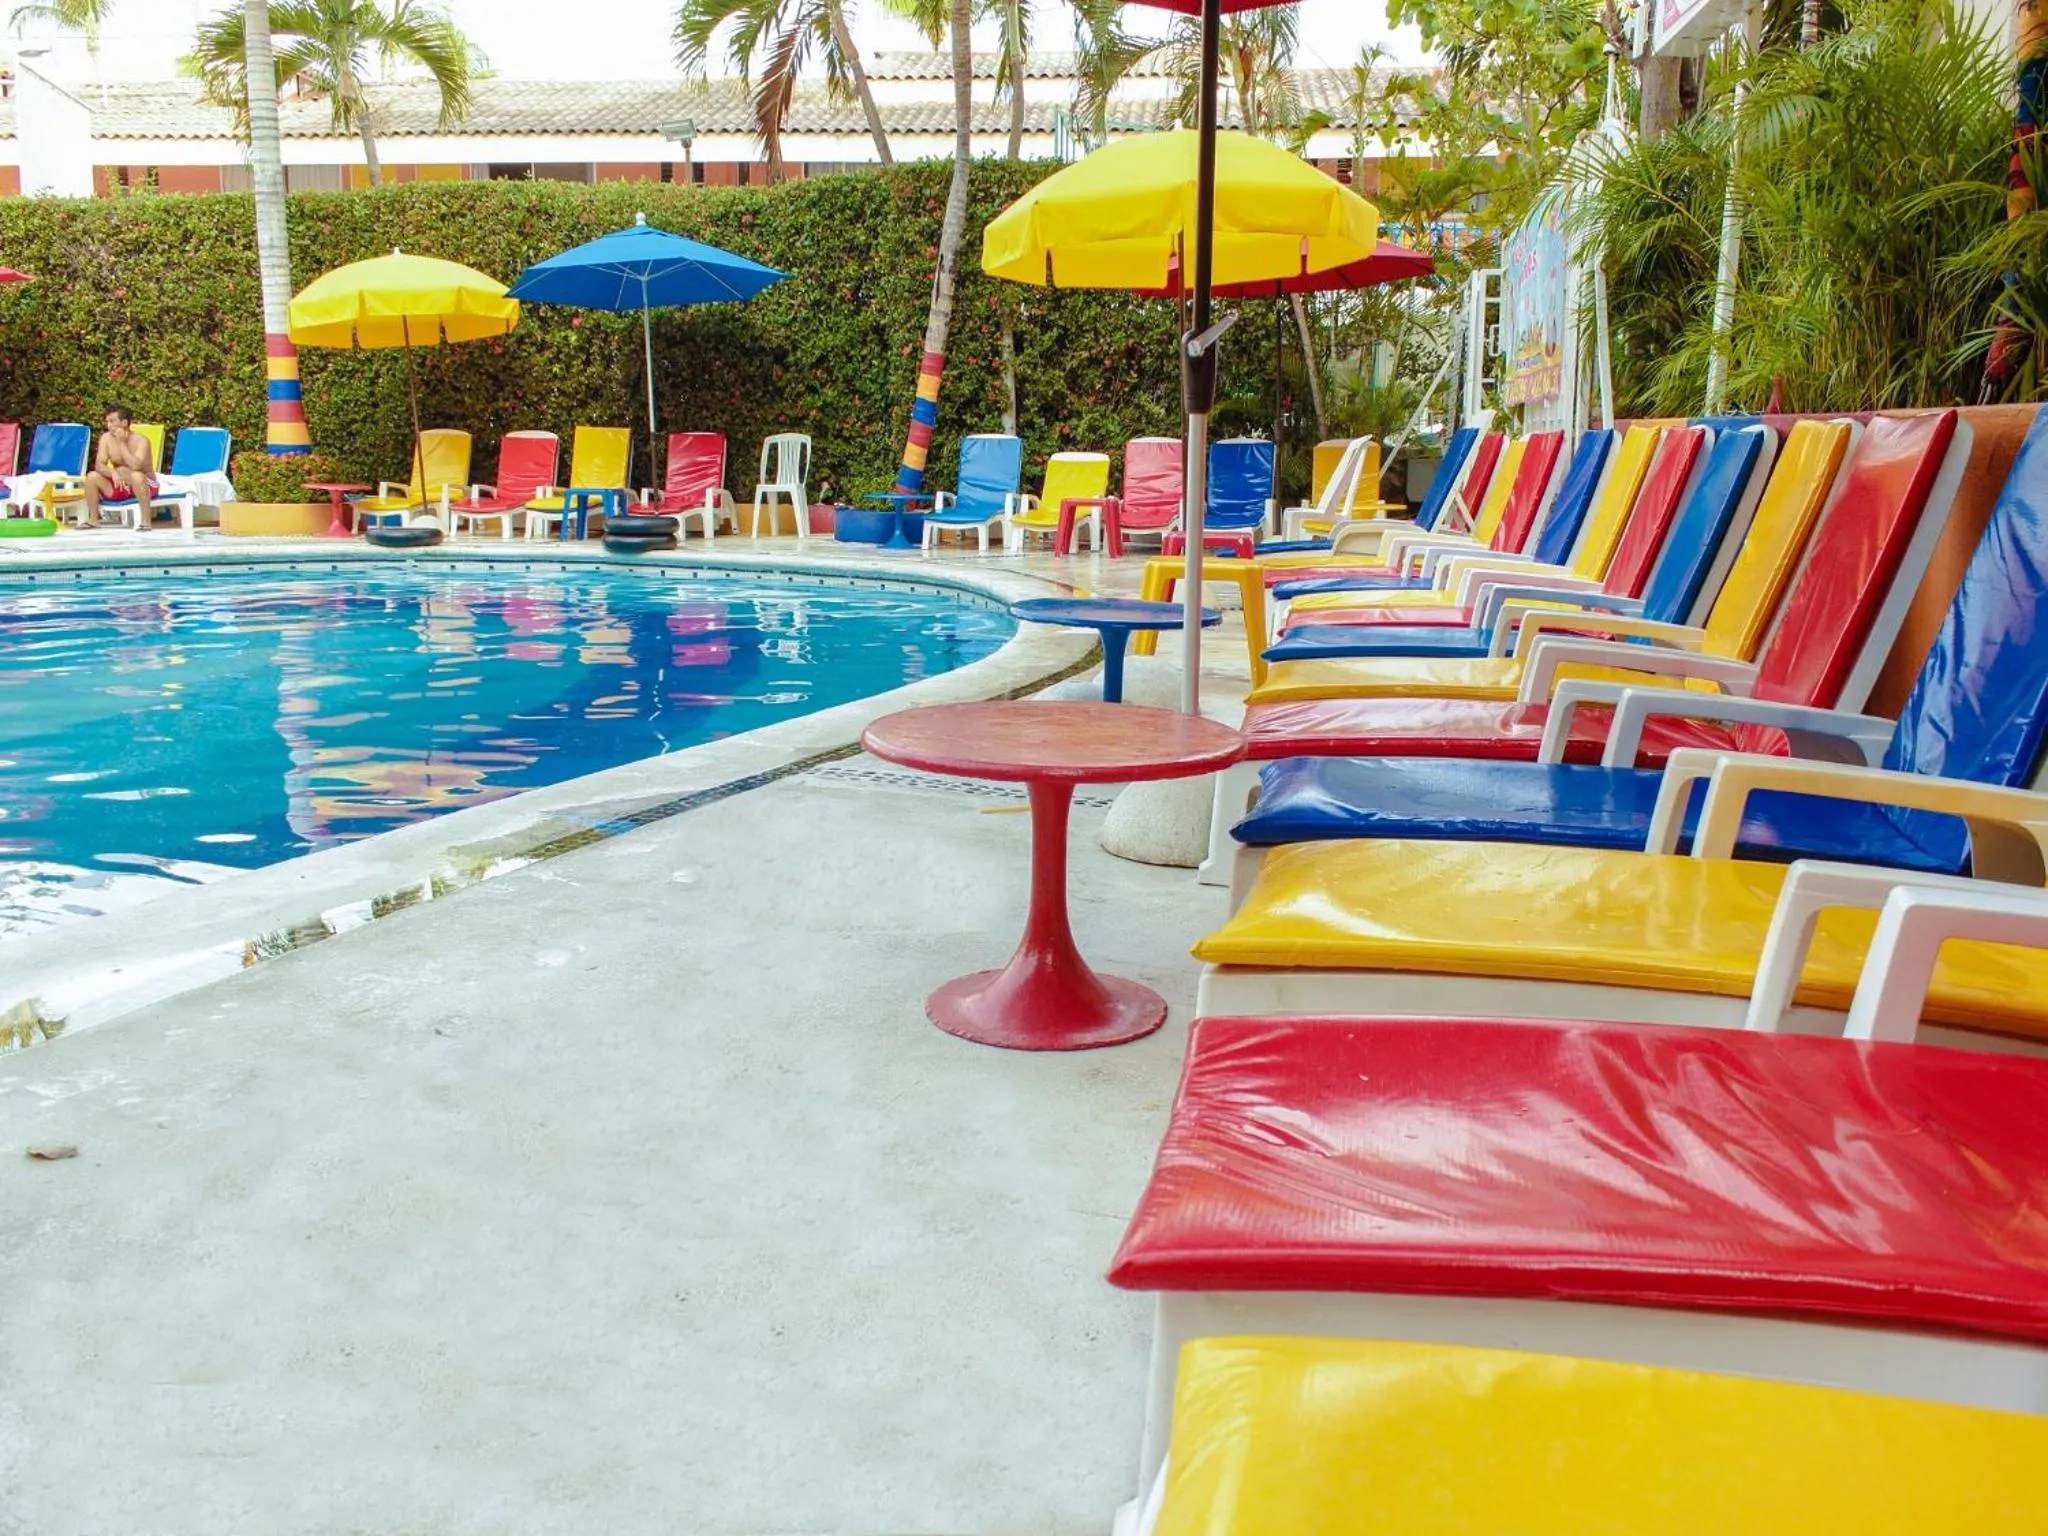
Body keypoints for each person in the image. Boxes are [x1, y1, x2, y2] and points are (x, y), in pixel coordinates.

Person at [82, 406, 153, 526]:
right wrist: (113, 473)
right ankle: (94, 520)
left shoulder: (141, 440)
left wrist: (121, 443)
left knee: (136, 476)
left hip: (145, 484)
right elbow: (99, 465)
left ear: (124, 423)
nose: (108, 425)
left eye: (112, 421)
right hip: (121, 484)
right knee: (91, 476)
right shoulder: (106, 439)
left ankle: (146, 521)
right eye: (107, 422)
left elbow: (135, 466)